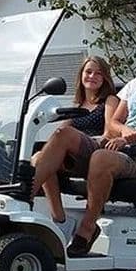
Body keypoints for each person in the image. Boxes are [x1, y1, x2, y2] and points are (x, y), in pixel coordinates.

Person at [31, 33, 136, 257]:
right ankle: (24, 198)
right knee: (62, 133)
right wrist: (125, 131)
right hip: (118, 148)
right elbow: (114, 122)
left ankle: (87, 229)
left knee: (101, 157)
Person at [30, 56, 119, 240]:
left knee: (65, 134)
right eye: (88, 72)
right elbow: (58, 135)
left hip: (95, 152)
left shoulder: (110, 100)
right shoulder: (77, 105)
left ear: (105, 79)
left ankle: (25, 196)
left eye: (98, 73)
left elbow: (110, 132)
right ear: (81, 76)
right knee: (41, 157)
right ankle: (60, 221)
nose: (92, 76)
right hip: (74, 157)